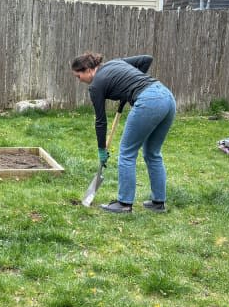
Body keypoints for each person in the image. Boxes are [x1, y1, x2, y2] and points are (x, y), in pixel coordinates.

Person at [71, 53, 176, 213]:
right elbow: (146, 60)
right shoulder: (115, 63)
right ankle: (158, 202)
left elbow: (100, 121)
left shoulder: (96, 85)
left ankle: (124, 203)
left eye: (79, 76)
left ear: (88, 70)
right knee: (152, 152)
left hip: (149, 101)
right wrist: (130, 88)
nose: (79, 81)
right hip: (167, 97)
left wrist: (101, 149)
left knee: (127, 152)